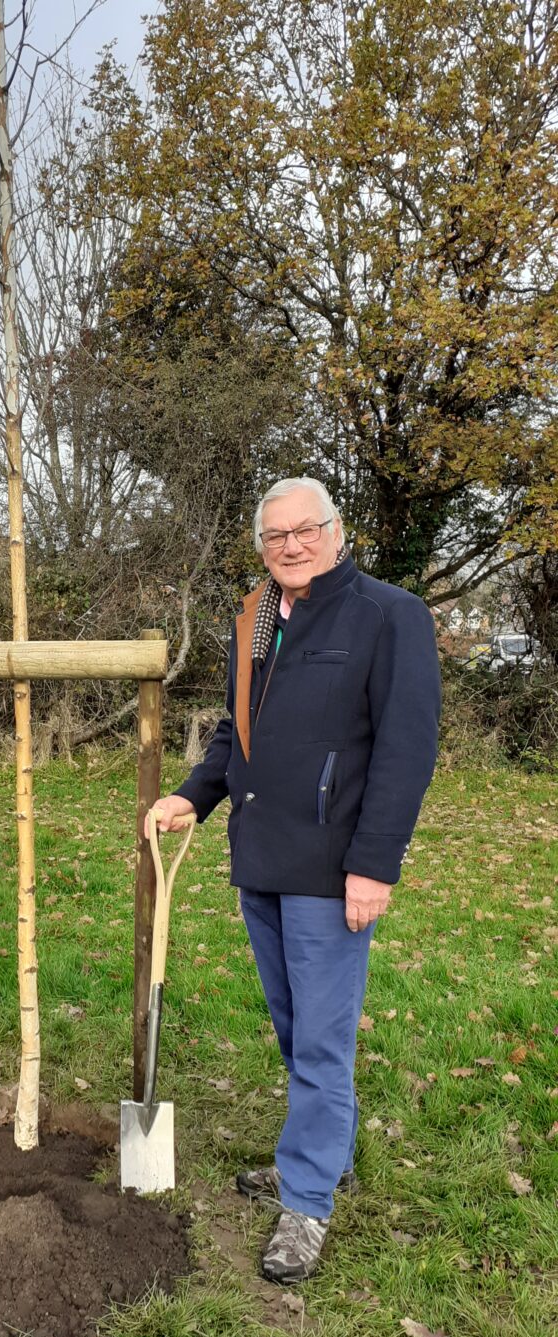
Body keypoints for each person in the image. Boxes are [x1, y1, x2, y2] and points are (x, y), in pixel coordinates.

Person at [149, 477, 440, 1285]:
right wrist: (192, 795)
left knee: (320, 1038)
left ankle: (308, 1200)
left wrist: (374, 864)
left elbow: (406, 750)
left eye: (305, 529)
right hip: (263, 859)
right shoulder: (256, 617)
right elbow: (235, 732)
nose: (290, 545)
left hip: (333, 867)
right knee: (293, 1025)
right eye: (275, 535)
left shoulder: (389, 615)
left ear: (336, 531)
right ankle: (325, 1151)